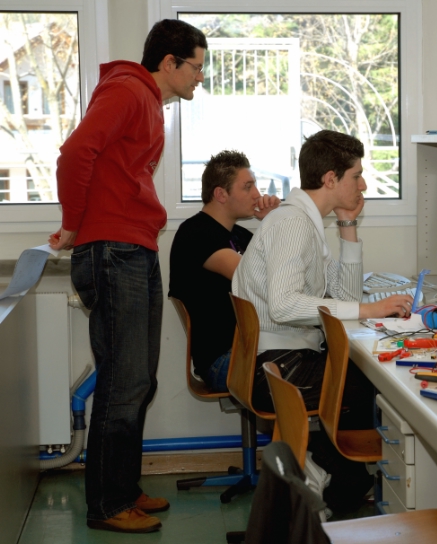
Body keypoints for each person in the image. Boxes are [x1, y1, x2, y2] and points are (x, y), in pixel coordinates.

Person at [48, 19, 207, 534]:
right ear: (169, 62)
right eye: (196, 66)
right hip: (113, 250)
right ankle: (107, 504)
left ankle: (124, 487)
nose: (200, 77)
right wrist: (73, 224)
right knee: (123, 382)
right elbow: (75, 154)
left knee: (138, 380)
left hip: (132, 247)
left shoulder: (147, 100)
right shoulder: (128, 91)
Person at [232, 129, 413, 512]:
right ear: (330, 178)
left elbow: (345, 296)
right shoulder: (292, 224)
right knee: (381, 386)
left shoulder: (305, 222)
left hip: (283, 358)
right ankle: (330, 483)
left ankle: (334, 479)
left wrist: (348, 224)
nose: (363, 185)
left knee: (368, 377)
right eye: (356, 176)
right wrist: (370, 310)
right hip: (279, 366)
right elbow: (284, 306)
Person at [169, 150, 280, 392]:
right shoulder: (196, 233)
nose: (257, 194)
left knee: (331, 359)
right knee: (333, 369)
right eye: (248, 187)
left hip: (250, 347)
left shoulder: (239, 235)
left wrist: (272, 221)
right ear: (220, 194)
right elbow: (259, 280)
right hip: (224, 360)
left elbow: (285, 271)